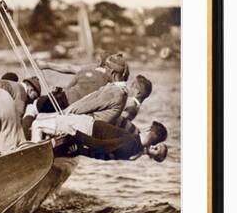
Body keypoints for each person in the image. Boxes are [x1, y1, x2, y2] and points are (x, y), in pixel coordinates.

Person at [22, 53, 129, 135]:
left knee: (32, 107)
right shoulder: (113, 86)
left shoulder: (88, 68)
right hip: (78, 112)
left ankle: (24, 133)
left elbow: (69, 76)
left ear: (101, 61)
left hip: (68, 105)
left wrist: (45, 65)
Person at [31, 113, 168, 161]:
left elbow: (101, 147)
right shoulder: (134, 142)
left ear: (149, 129)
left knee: (37, 124)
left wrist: (75, 134)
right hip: (87, 127)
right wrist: (80, 149)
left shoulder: (131, 144)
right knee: (44, 125)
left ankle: (32, 159)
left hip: (84, 128)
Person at [64, 74, 153, 125]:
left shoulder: (131, 103)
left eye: (132, 85)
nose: (129, 86)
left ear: (137, 92)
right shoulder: (135, 107)